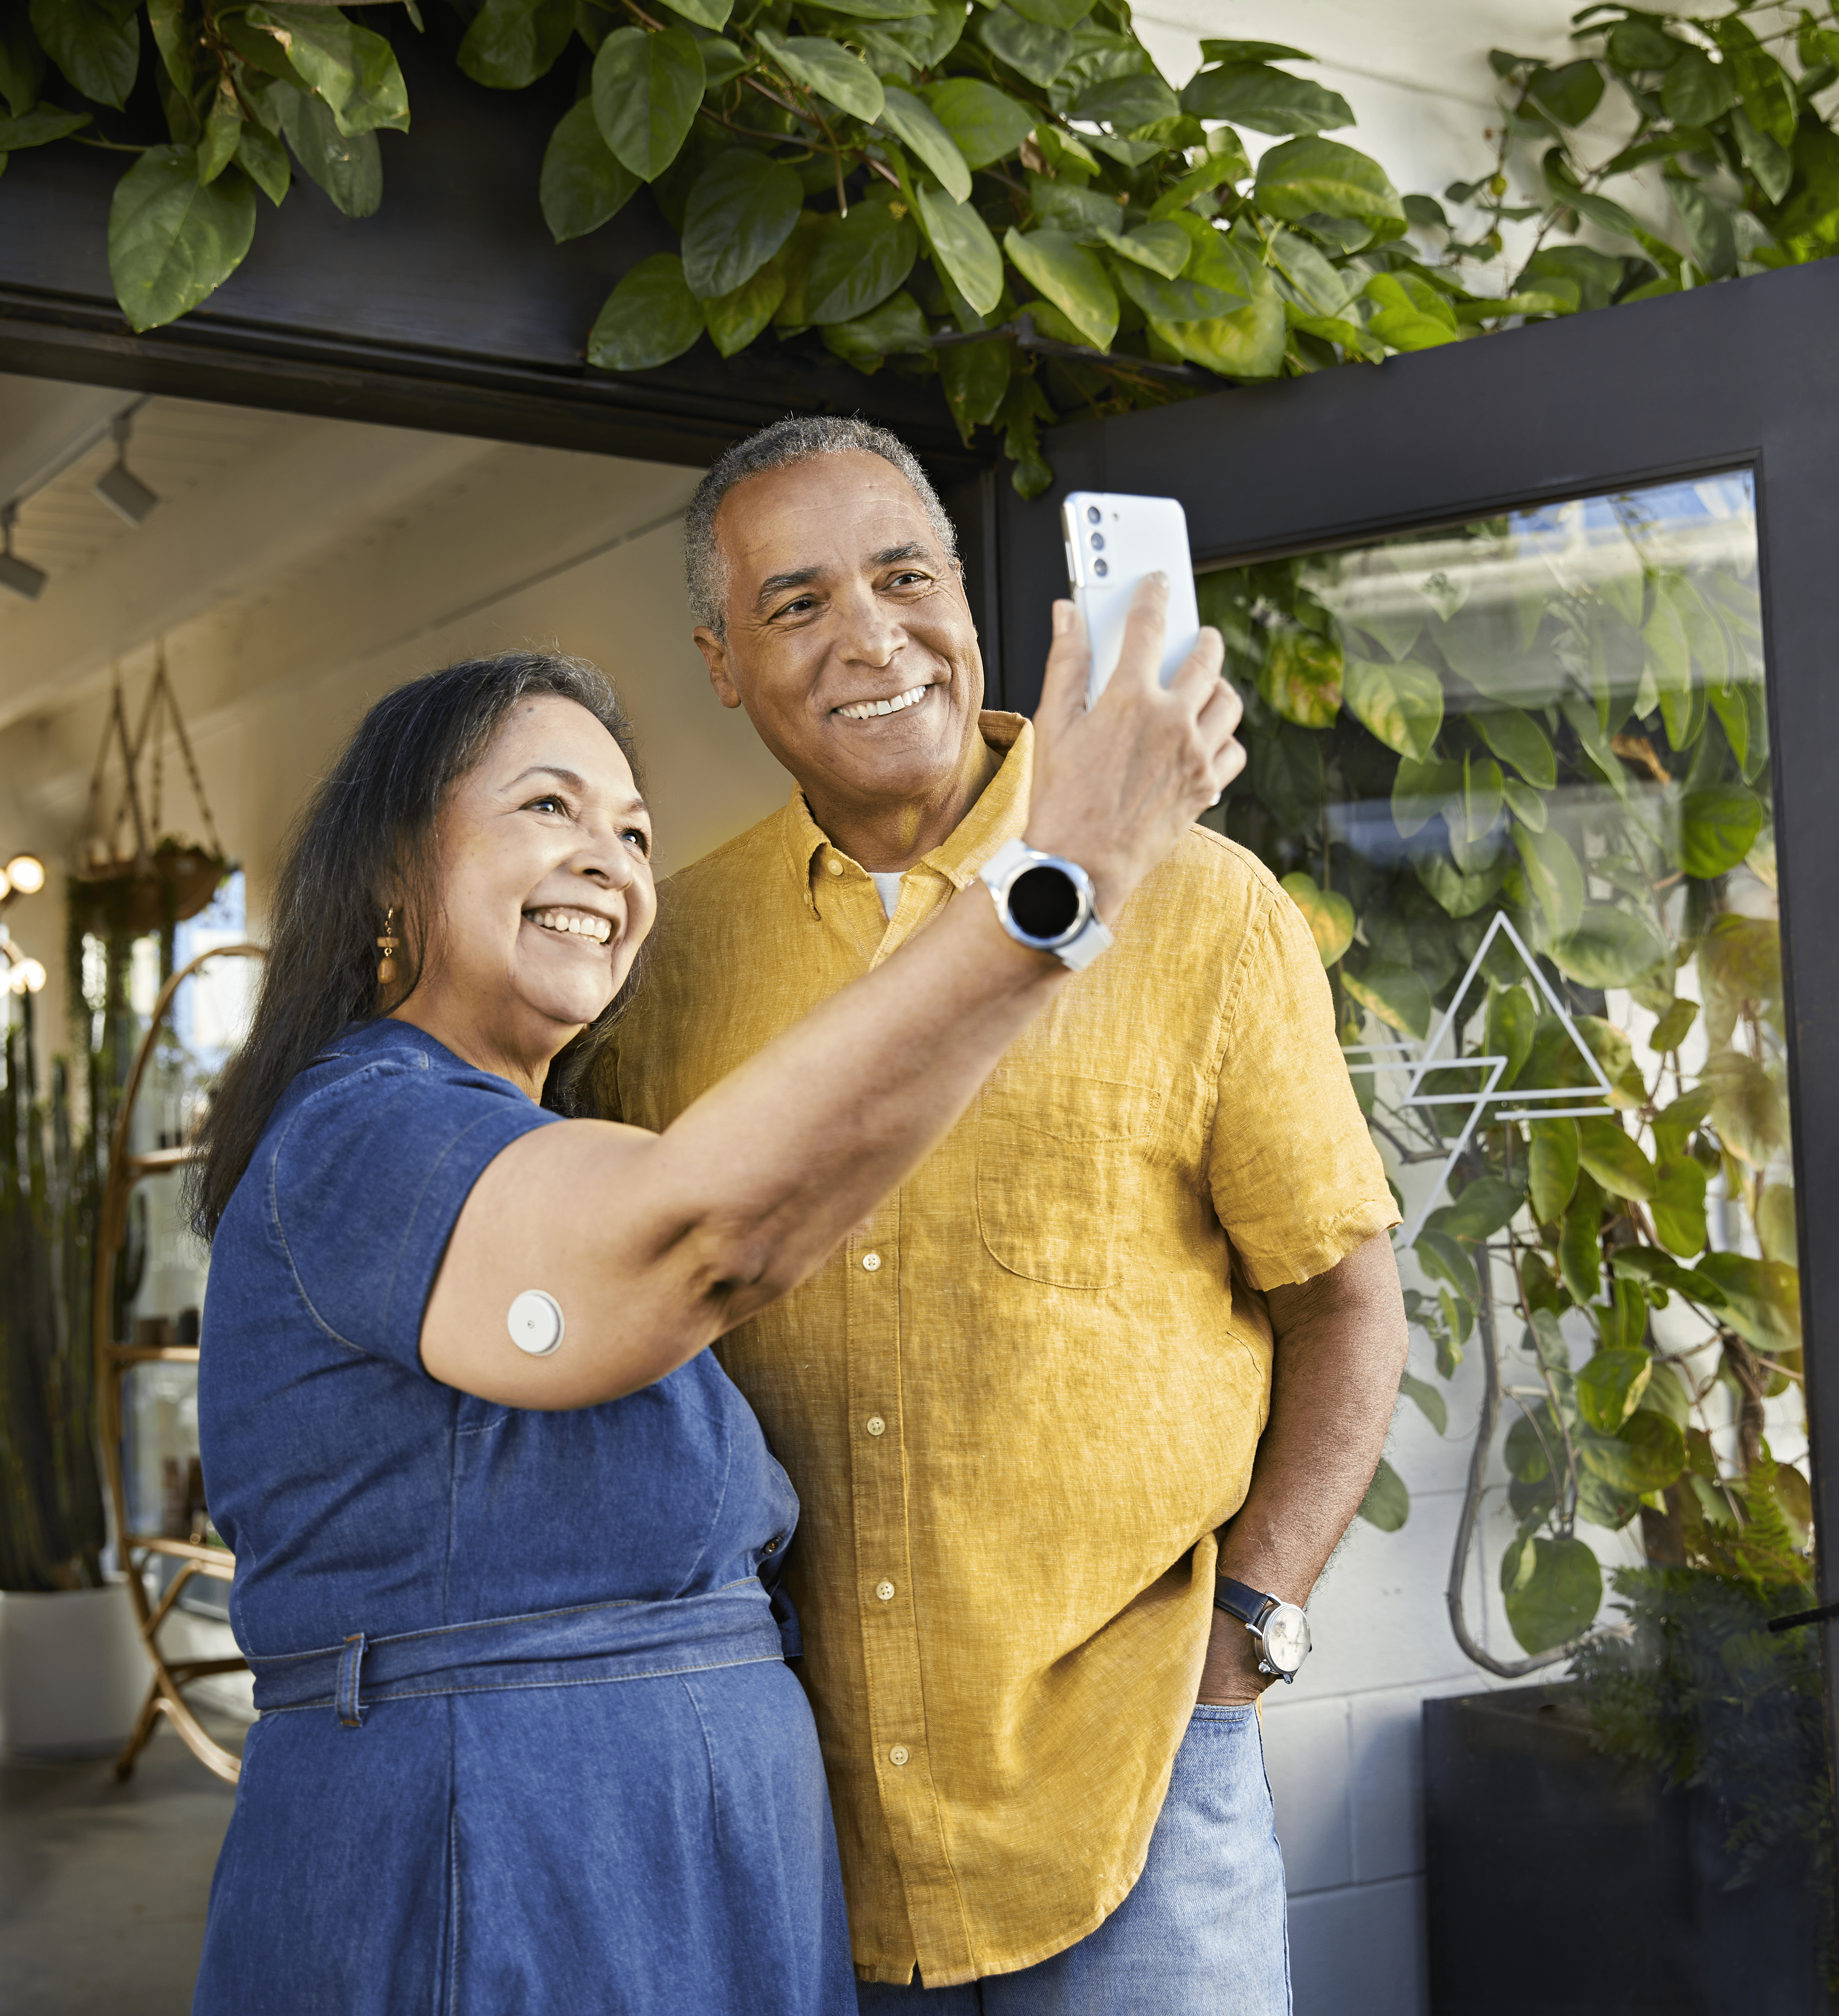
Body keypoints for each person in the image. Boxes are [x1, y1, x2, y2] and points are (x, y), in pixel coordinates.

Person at [186, 599, 1241, 2013]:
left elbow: (777, 1199)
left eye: (631, 831)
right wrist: (1067, 875)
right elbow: (702, 1234)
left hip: (686, 1885)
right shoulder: (364, 1136)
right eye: (546, 804)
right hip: (495, 1884)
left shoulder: (535, 1142)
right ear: (395, 869)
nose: (609, 862)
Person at [585, 417, 1408, 2009]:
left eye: (905, 579)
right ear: (723, 664)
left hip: (1140, 1780)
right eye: (799, 604)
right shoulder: (665, 956)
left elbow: (1346, 1300)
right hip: (792, 1807)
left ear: (972, 602)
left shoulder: (1204, 905)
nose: (871, 639)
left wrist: (1256, 1625)